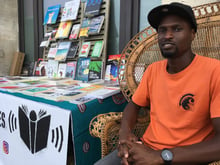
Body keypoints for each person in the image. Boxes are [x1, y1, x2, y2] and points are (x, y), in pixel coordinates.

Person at [94, 2, 220, 165]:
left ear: (193, 33)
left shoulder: (214, 71)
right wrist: (125, 135)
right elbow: (133, 106)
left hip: (184, 158)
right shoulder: (153, 70)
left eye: (176, 29)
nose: (167, 35)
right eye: (162, 30)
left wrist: (162, 156)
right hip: (145, 148)